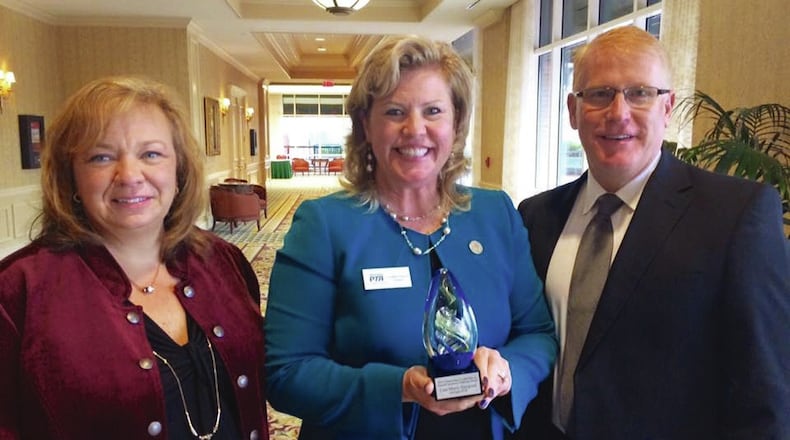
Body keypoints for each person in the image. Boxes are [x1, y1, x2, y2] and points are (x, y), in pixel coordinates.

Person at [264, 36, 557, 440]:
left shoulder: (495, 214)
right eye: (395, 111)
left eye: (433, 111)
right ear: (366, 126)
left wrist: (508, 371)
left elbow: (537, 333)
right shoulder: (324, 224)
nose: (414, 129)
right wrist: (397, 388)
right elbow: (286, 371)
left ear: (456, 124)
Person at [517, 26, 790, 439]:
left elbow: (765, 390)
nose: (618, 112)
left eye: (640, 93)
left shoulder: (735, 215)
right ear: (573, 110)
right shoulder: (536, 216)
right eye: (600, 94)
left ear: (668, 107)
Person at [0, 76, 269, 439]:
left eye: (151, 154)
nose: (129, 175)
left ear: (179, 170)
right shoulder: (19, 291)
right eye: (101, 156)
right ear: (71, 177)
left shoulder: (224, 262)